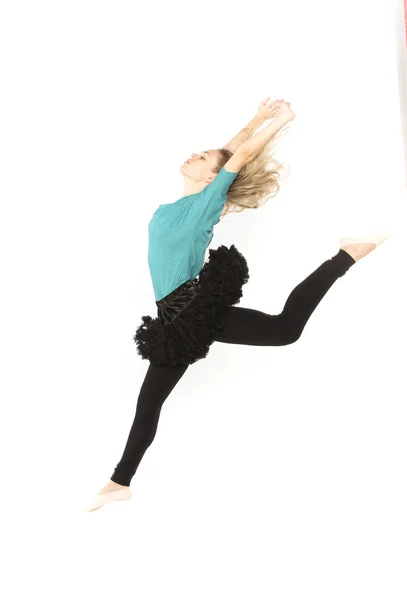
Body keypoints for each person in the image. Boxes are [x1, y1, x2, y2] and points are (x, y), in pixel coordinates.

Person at [85, 98, 389, 512]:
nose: (193, 154)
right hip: (174, 319)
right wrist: (256, 118)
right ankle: (120, 482)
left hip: (189, 309)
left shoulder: (205, 204)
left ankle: (346, 255)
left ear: (214, 177)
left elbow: (237, 156)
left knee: (284, 331)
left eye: (203, 157)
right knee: (155, 398)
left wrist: (280, 120)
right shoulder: (177, 204)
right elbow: (231, 150)